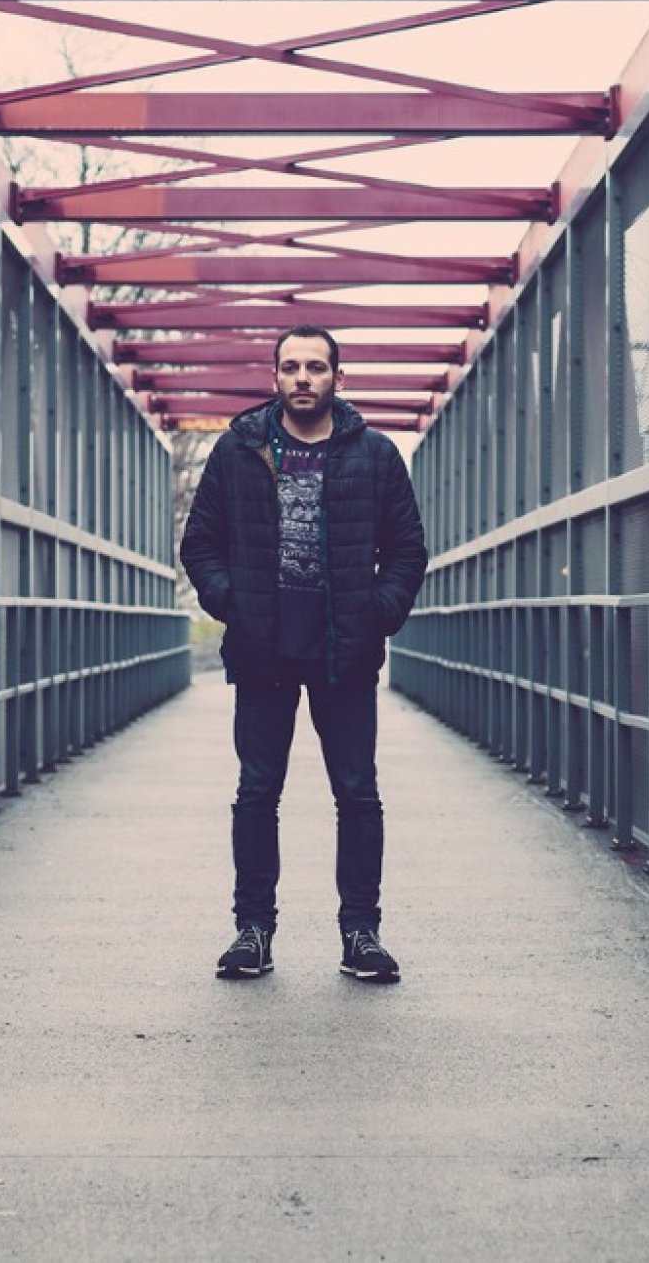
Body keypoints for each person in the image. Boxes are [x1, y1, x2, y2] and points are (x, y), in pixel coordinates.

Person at [179, 325, 429, 983]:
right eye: (290, 367)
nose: (302, 378)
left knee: (358, 792)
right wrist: (232, 603)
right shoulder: (238, 450)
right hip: (262, 648)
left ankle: (361, 935)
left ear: (337, 378)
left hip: (344, 650)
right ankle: (252, 932)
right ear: (275, 376)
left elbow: (407, 550)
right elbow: (200, 543)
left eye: (316, 367)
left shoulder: (375, 455)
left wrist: (376, 613)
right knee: (257, 791)